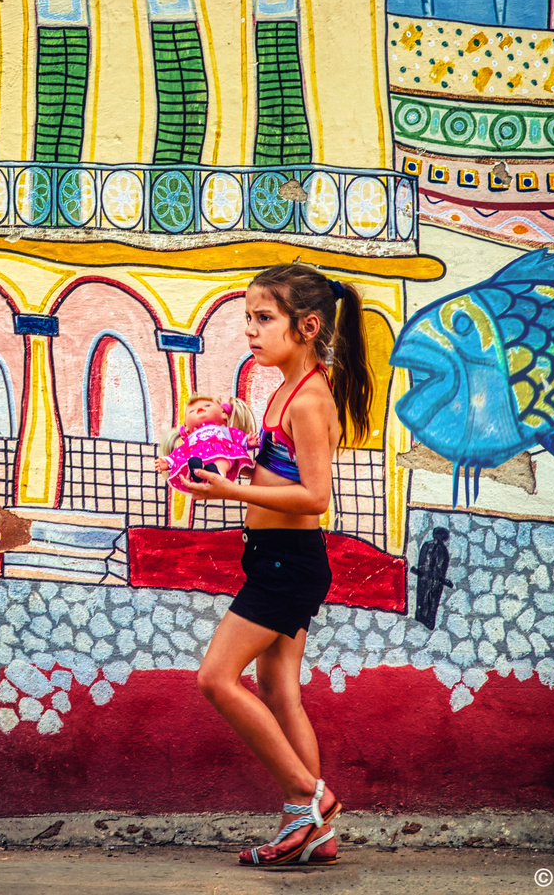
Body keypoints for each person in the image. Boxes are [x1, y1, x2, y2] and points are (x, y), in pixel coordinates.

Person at [176, 263, 372, 867]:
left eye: (264, 318)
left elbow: (315, 497)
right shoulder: (284, 389)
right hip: (273, 558)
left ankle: (307, 798)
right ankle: (315, 833)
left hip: (288, 563)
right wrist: (227, 419)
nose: (251, 331)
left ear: (308, 326)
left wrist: (229, 494)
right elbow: (275, 460)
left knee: (215, 677)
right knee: (279, 689)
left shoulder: (310, 398)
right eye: (248, 319)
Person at [152, 395, 256, 494]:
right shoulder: (191, 438)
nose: (200, 409)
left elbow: (237, 437)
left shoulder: (225, 430)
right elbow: (180, 451)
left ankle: (218, 474)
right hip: (199, 456)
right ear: (187, 428)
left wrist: (247, 441)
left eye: (208, 406)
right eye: (192, 411)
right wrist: (169, 461)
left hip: (223, 452)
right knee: (192, 460)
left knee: (223, 460)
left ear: (224, 415)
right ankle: (197, 470)